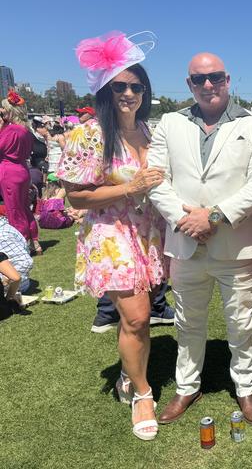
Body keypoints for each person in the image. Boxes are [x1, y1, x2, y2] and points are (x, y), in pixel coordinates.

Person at [147, 52, 252, 427]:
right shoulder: (170, 123)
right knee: (188, 322)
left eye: (215, 77)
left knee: (241, 322)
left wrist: (214, 217)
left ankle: (245, 385)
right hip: (186, 243)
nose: (208, 85)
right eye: (199, 79)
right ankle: (188, 386)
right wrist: (186, 220)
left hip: (234, 244)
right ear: (188, 84)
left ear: (228, 79)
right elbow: (156, 179)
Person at [58, 30, 167, 441]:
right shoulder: (89, 134)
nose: (129, 92)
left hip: (148, 232)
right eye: (120, 85)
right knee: (138, 317)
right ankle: (142, 392)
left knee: (138, 319)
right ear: (106, 88)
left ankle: (129, 370)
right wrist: (129, 188)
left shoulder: (148, 132)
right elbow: (76, 196)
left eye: (136, 85)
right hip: (109, 232)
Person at [0, 91, 40, 254]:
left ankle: (21, 244)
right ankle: (34, 242)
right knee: (24, 208)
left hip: (9, 172)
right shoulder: (26, 130)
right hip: (23, 170)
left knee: (14, 210)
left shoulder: (11, 131)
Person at [0, 215, 33, 294]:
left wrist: (5, 279)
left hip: (11, 287)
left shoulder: (2, 236)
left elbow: (26, 261)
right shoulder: (5, 227)